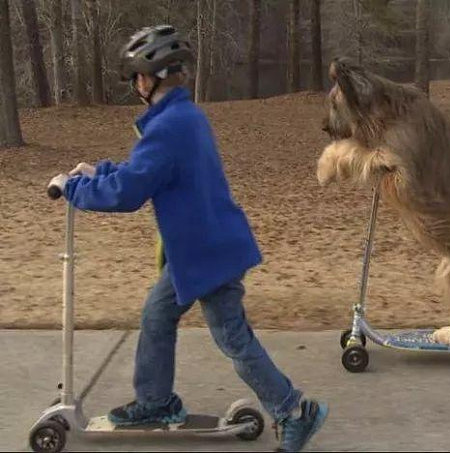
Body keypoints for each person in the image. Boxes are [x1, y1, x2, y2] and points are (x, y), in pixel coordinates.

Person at [48, 25, 328, 452]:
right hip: (199, 249)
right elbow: (147, 172)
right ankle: (157, 402)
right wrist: (98, 171)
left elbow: (129, 192)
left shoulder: (168, 128)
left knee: (232, 338)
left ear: (148, 78)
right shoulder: (182, 117)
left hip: (206, 254)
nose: (134, 85)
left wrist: (72, 188)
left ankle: (294, 410)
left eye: (134, 78)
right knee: (157, 318)